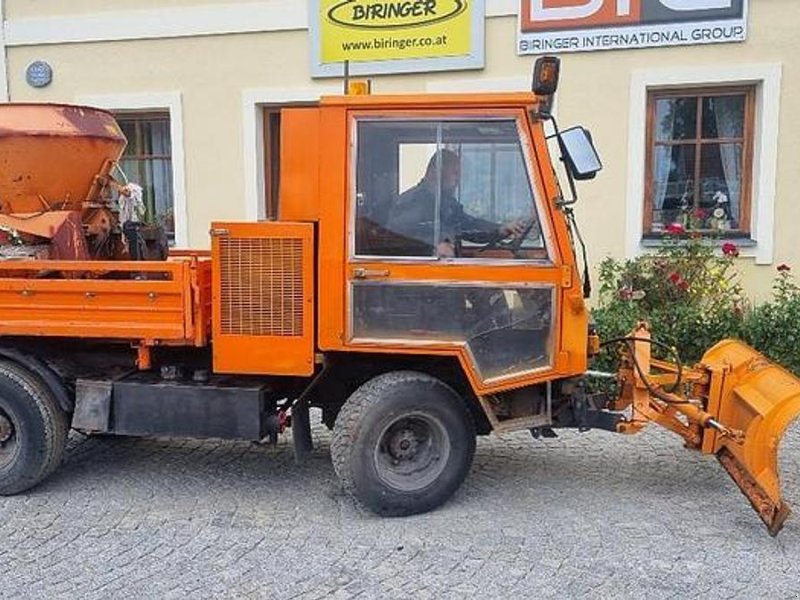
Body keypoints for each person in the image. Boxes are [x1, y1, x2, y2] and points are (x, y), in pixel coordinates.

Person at [387, 149, 526, 258]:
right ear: (436, 172)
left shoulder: (447, 204)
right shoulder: (411, 202)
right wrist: (432, 248)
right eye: (455, 173)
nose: (458, 179)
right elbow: (395, 240)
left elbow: (470, 226)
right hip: (417, 281)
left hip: (445, 271)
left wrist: (500, 229)